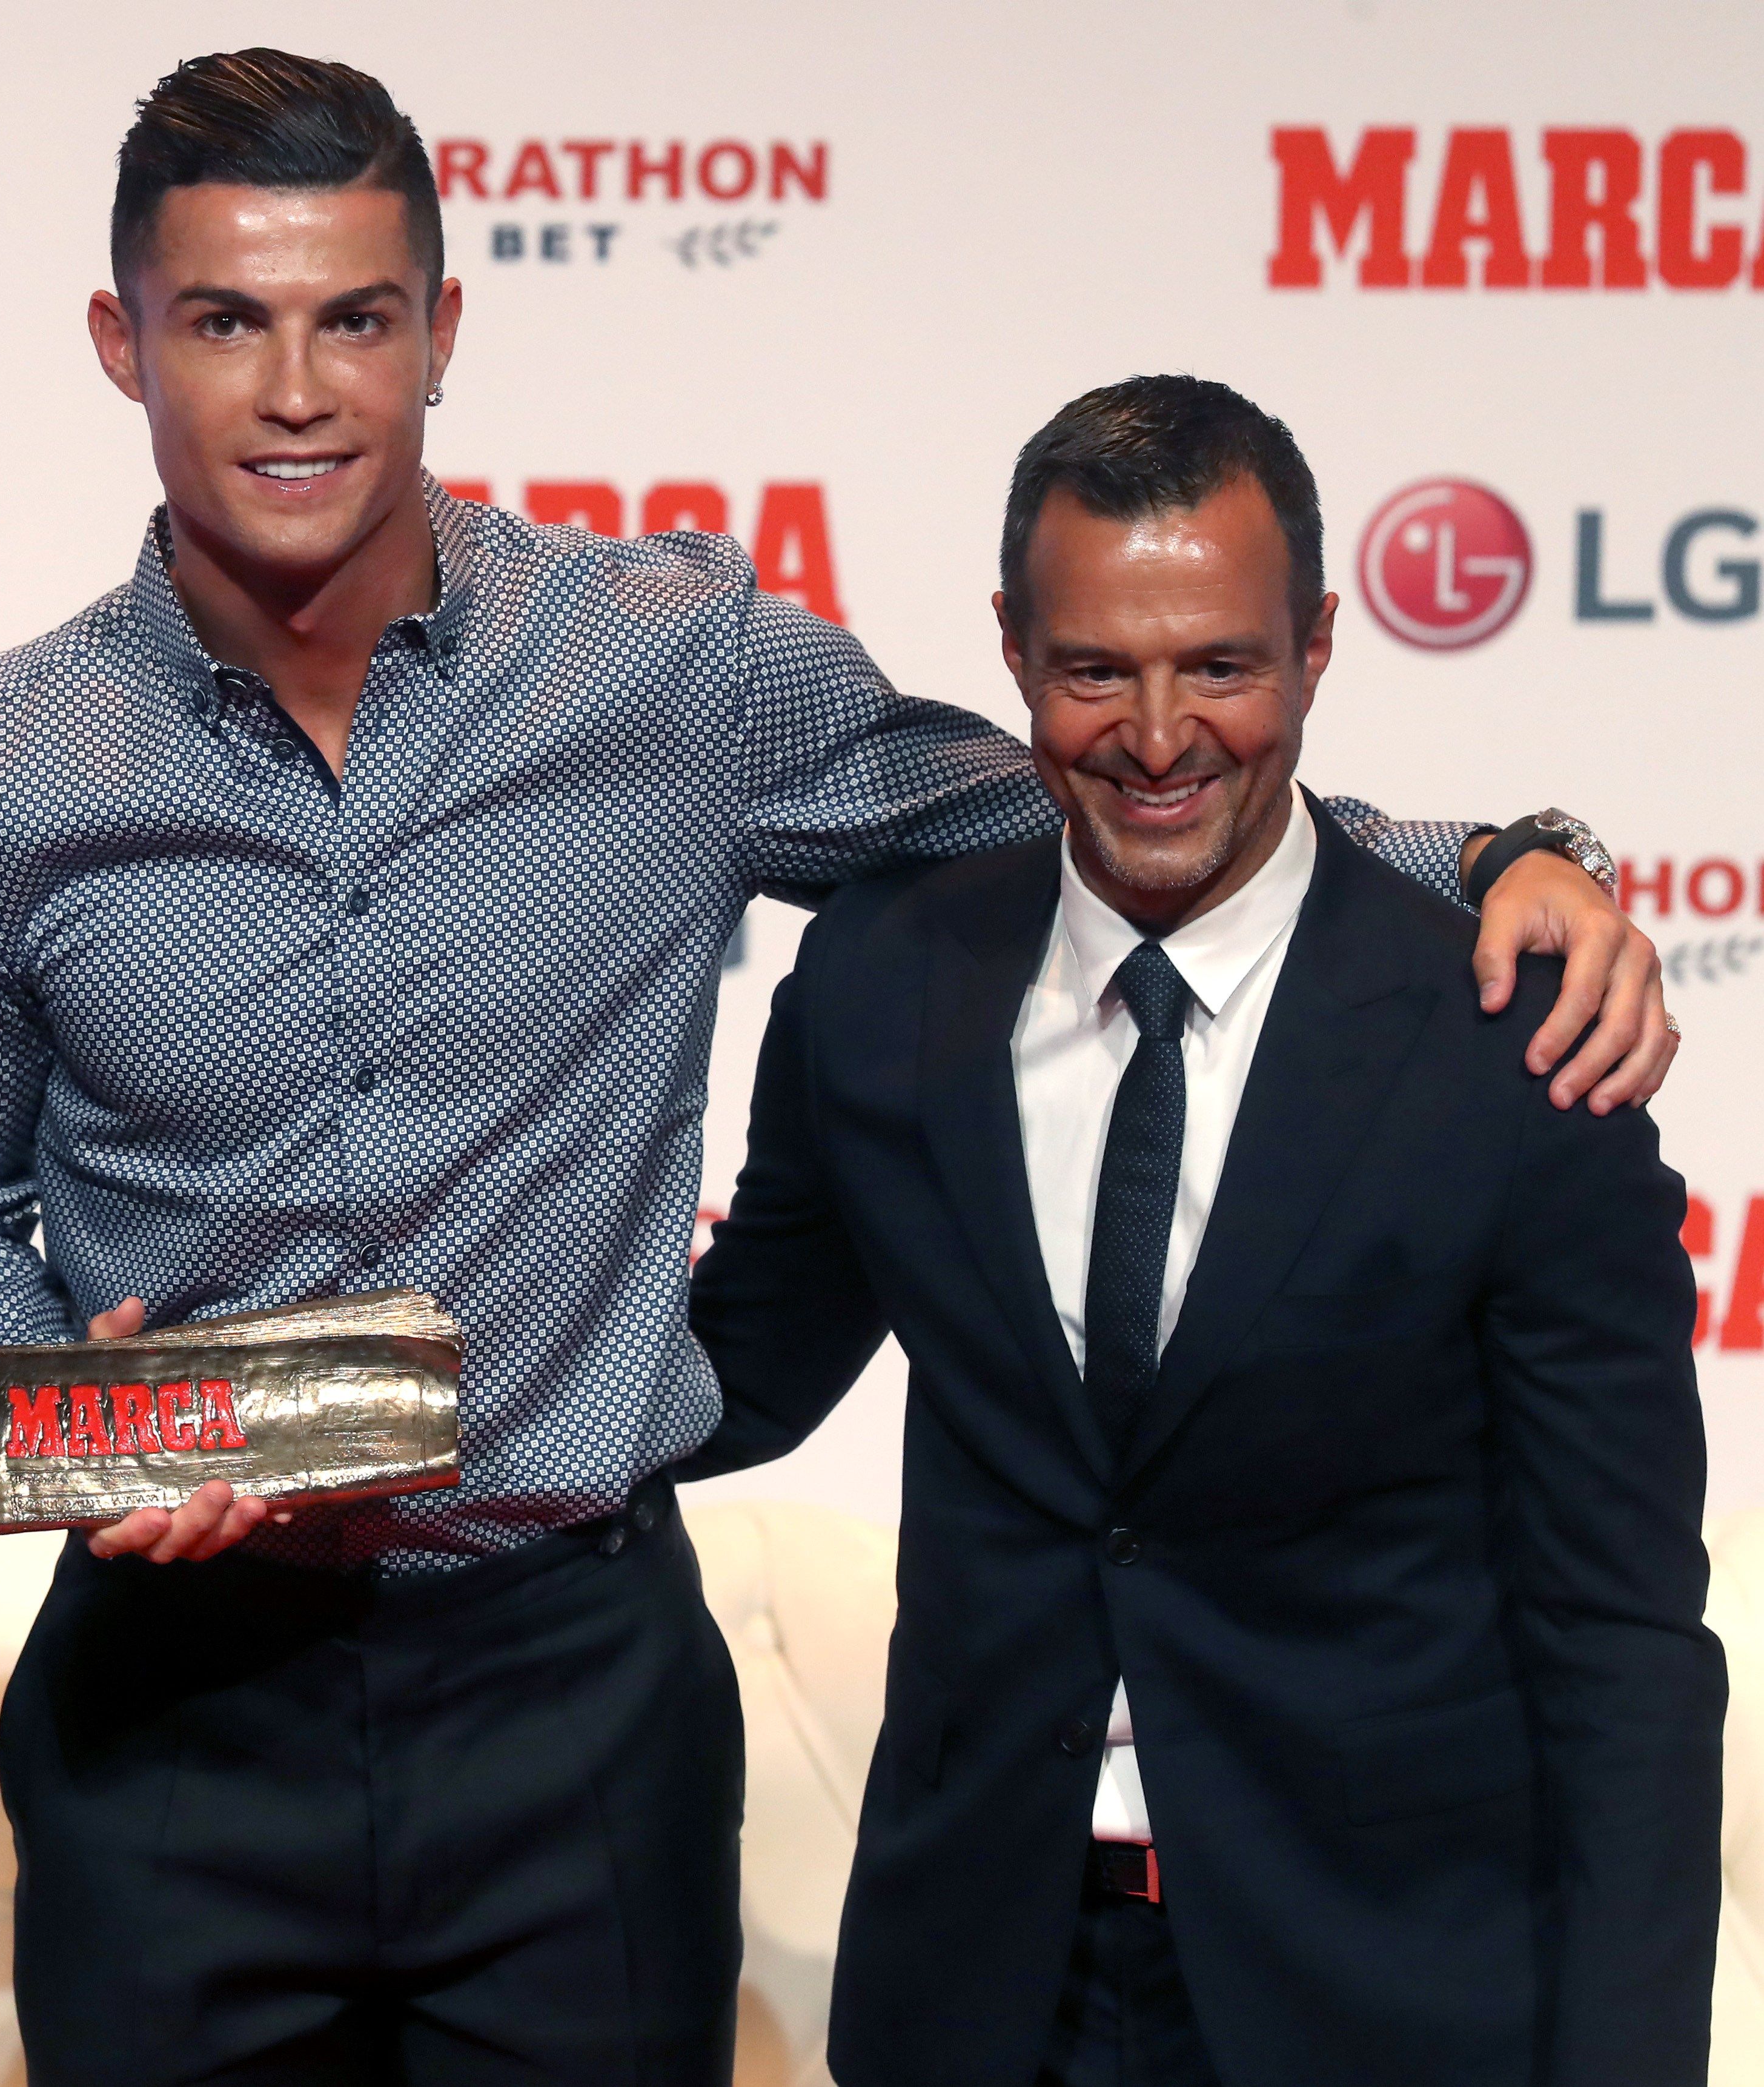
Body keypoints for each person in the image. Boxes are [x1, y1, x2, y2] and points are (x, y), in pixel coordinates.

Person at [0, 51, 1671, 2086]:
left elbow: (1081, 794)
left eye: (355, 317)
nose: (296, 390)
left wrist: (1499, 859)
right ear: (119, 342)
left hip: (571, 1689)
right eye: (226, 322)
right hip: (175, 1710)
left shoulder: (667, 665)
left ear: (444, 330)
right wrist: (86, 1437)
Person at [688, 376, 1722, 2086]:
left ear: (1316, 647)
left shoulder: (1513, 1045)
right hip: (974, 1987)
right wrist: (382, 1403)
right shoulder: (882, 986)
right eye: (1098, 668)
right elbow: (742, 1367)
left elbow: (1620, 1637)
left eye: (1222, 668)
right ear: (1012, 650)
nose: (1160, 737)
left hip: (1387, 1997)